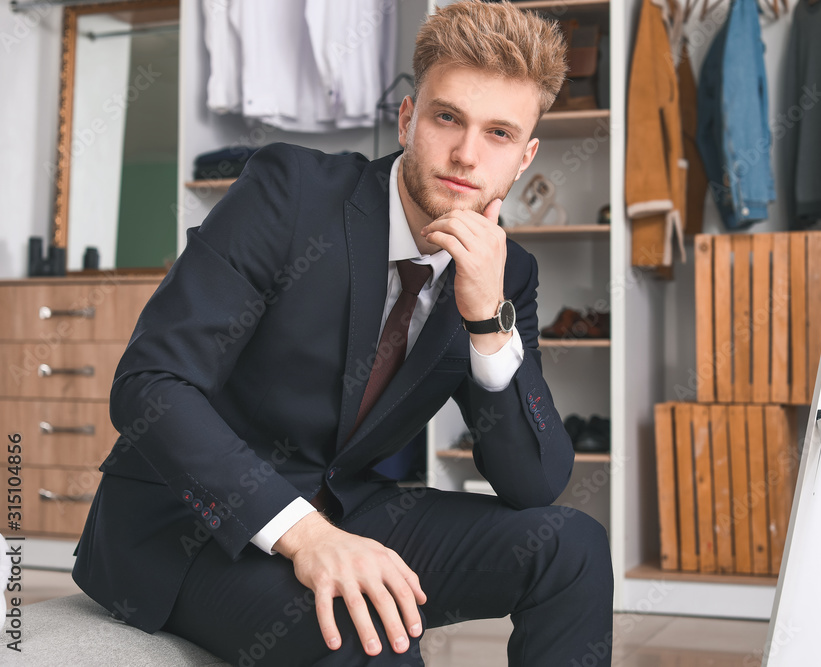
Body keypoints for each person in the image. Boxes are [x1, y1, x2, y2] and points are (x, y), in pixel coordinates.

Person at [73, 2, 614, 665]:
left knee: (573, 546)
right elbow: (150, 385)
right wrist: (306, 535)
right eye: (448, 117)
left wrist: (486, 319)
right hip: (190, 526)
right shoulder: (291, 191)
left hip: (346, 506)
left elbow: (533, 481)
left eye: (499, 133)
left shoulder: (507, 270)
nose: (467, 154)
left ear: (525, 156)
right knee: (370, 630)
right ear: (408, 117)